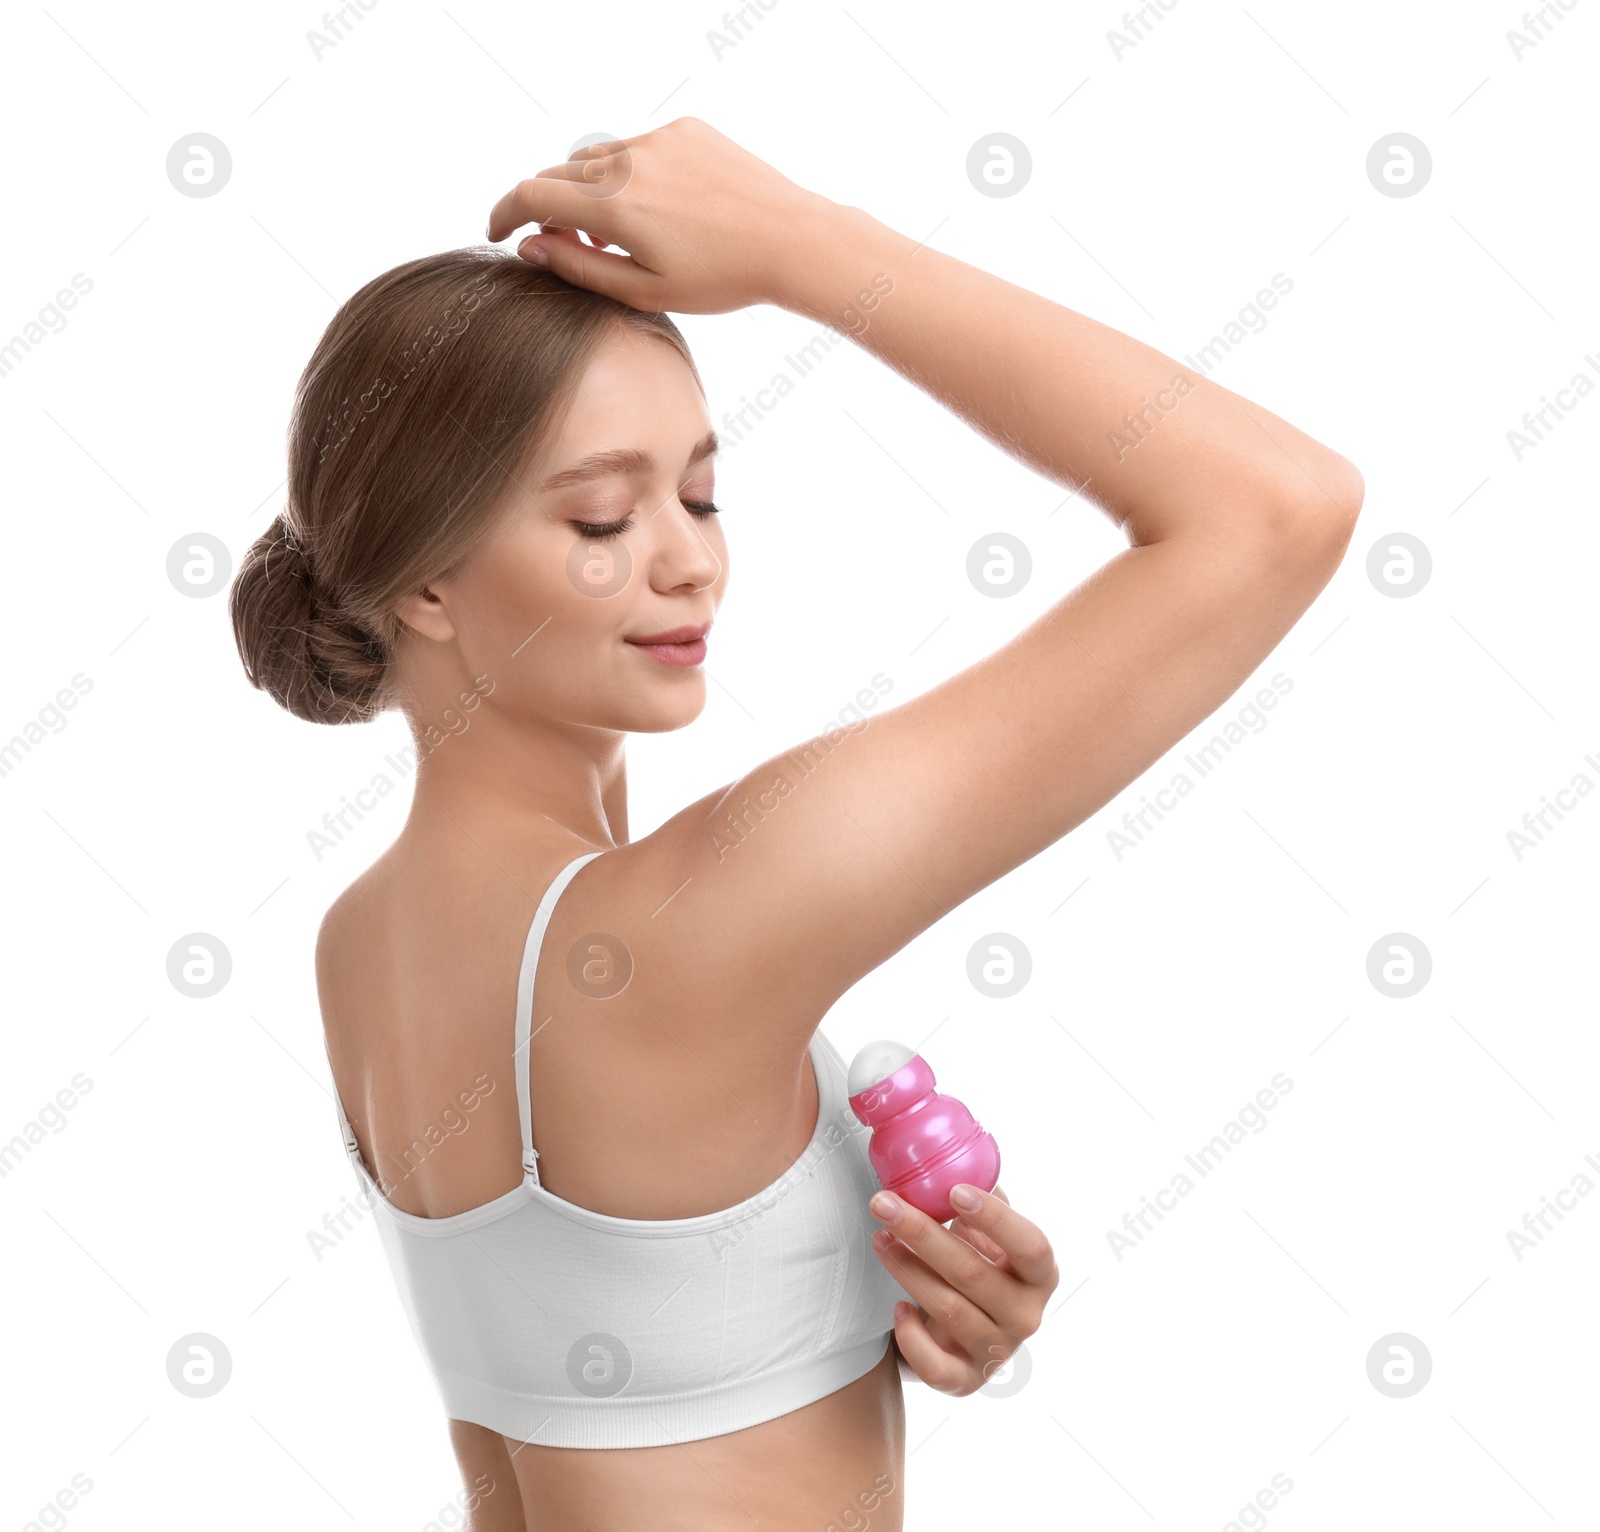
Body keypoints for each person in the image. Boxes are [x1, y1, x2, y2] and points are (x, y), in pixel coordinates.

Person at [229, 117, 1362, 1530]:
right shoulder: (671, 926)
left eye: (702, 490)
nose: (692, 556)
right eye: (599, 520)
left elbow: (627, 1378)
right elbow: (1273, 510)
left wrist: (852, 1296)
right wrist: (806, 247)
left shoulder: (365, 945)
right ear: (428, 589)